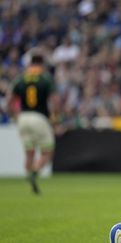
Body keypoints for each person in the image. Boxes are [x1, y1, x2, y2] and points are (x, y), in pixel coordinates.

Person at [6, 53, 56, 194]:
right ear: (42, 63)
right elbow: (55, 100)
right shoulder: (45, 78)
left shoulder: (20, 78)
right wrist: (56, 118)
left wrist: (14, 115)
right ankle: (34, 172)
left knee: (29, 153)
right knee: (47, 152)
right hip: (39, 117)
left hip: (23, 117)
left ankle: (30, 182)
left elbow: (9, 99)